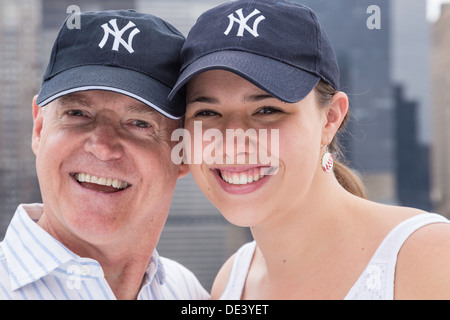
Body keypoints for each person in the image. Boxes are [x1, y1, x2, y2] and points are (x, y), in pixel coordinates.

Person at [168, 0, 450, 300]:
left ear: (330, 118)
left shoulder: (429, 257)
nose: (233, 142)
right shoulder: (232, 280)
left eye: (266, 109)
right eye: (207, 113)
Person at [0, 9, 209, 300]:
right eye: (77, 113)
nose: (102, 146)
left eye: (139, 123)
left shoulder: (187, 292)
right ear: (39, 127)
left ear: (184, 152)